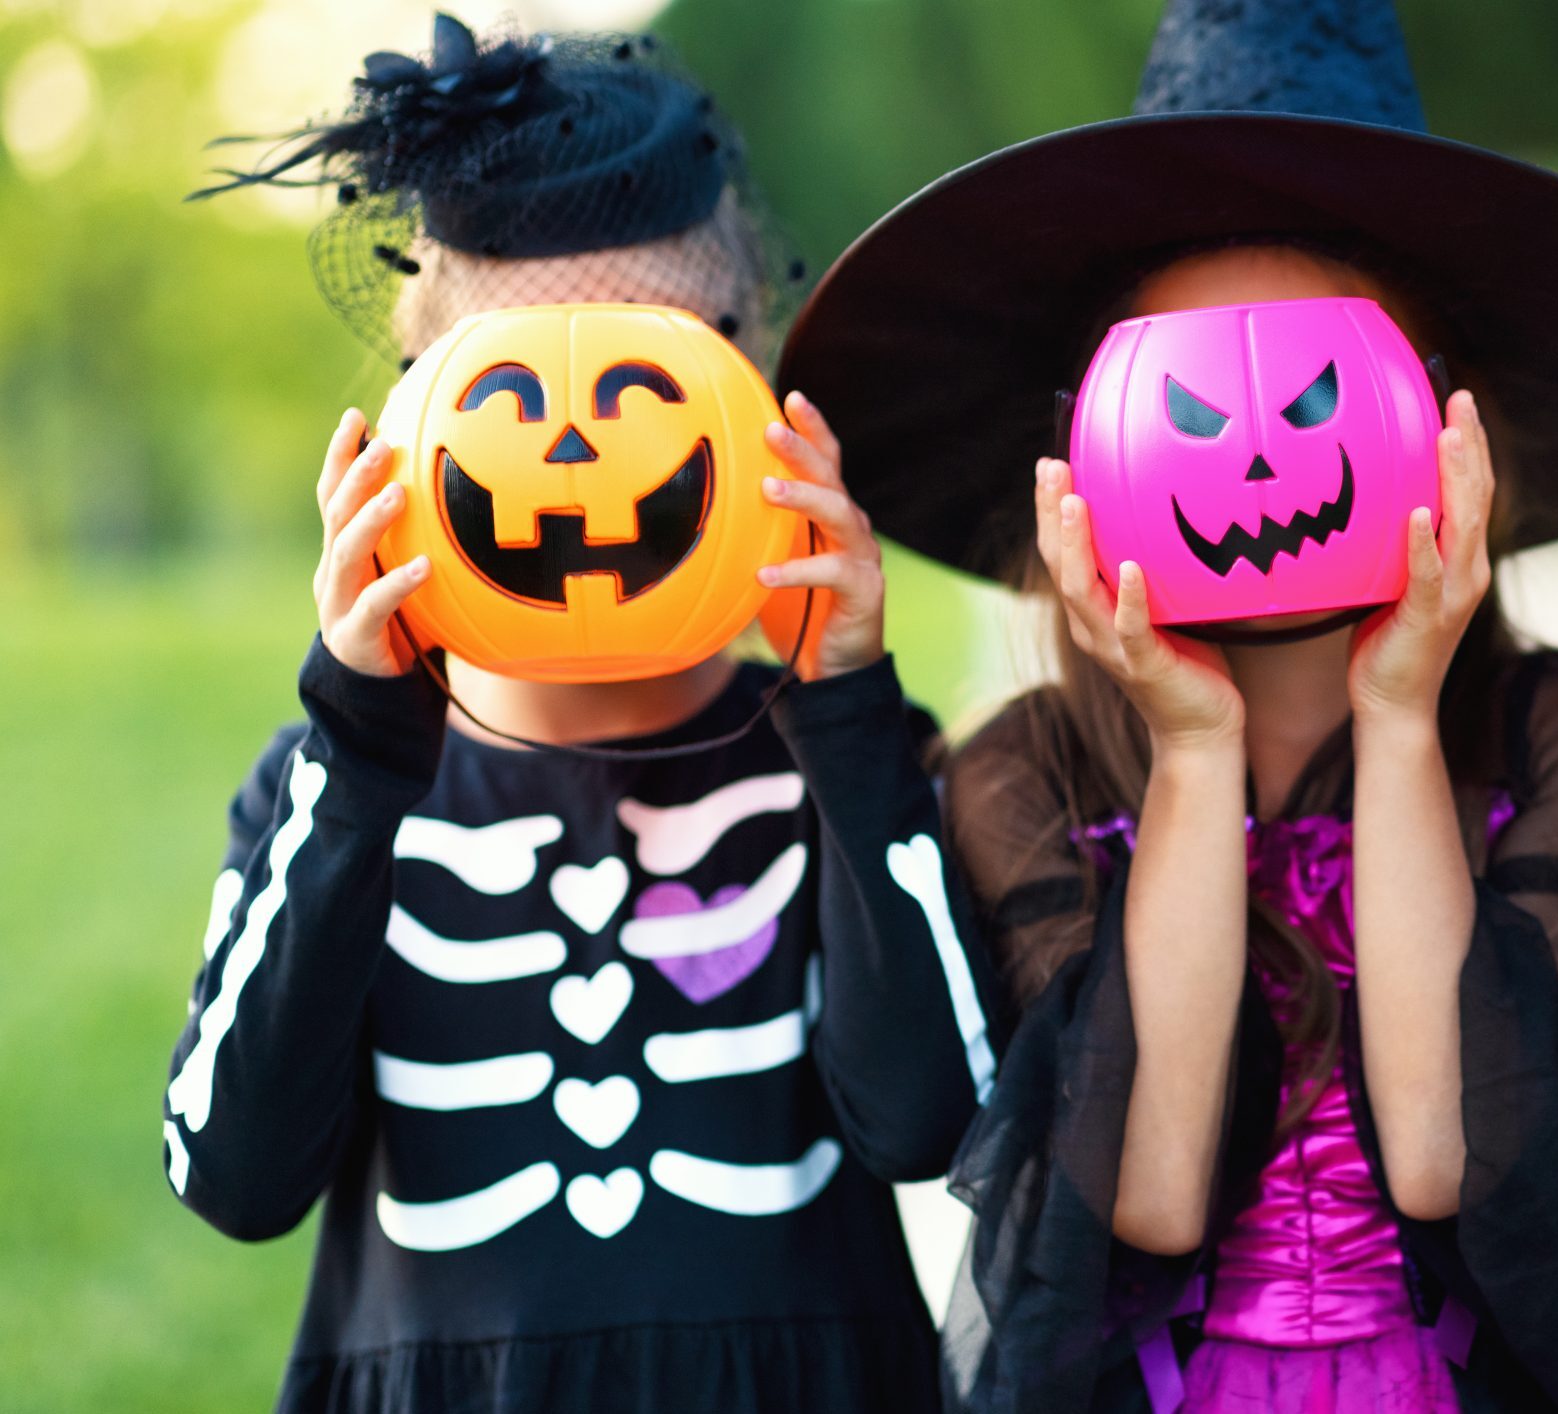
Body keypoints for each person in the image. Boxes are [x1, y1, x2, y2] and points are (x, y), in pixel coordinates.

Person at [777, 3, 1558, 1410]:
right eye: (1186, 403)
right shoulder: (1027, 773)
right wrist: (1190, 747)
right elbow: (1149, 1190)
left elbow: (1447, 1160)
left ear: (1442, 421)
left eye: (1316, 393)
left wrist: (1400, 715)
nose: (1255, 456)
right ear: (1092, 443)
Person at [165, 17, 997, 1412]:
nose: (579, 454)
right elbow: (236, 1176)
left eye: (642, 388)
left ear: (749, 403)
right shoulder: (335, 784)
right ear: (408, 436)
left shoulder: (837, 757)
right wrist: (359, 743)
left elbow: (930, 1123)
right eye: (508, 398)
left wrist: (844, 707)